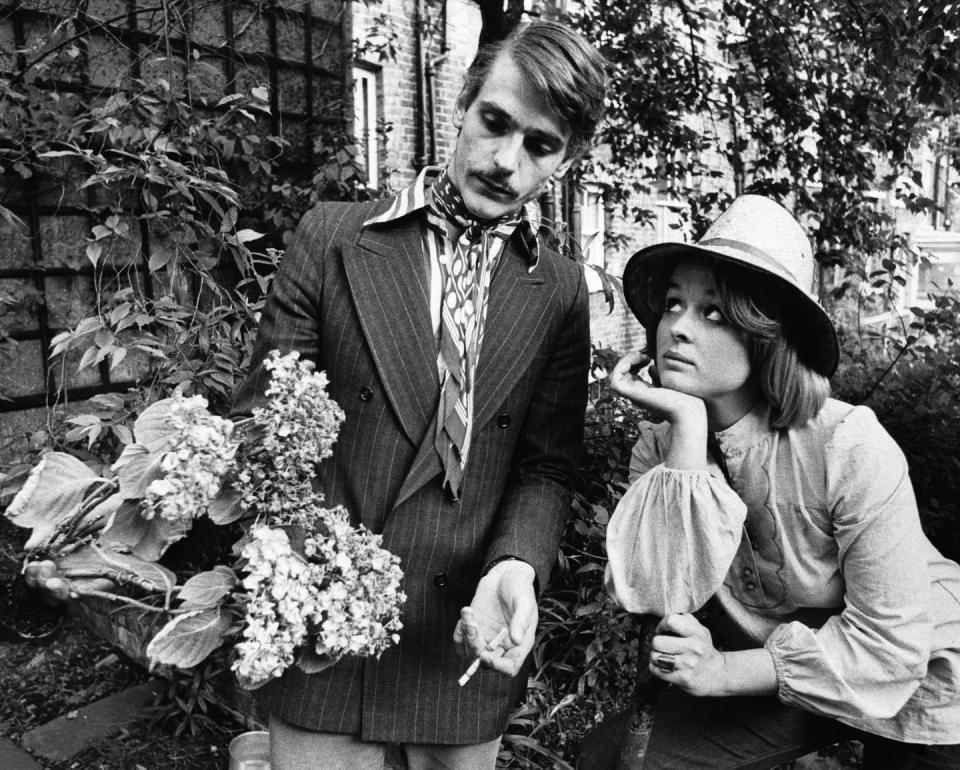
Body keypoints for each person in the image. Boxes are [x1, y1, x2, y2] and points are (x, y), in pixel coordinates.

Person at [228, 21, 607, 769]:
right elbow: (264, 429)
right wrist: (310, 576)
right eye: (495, 122)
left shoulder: (559, 291)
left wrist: (516, 566)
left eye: (540, 144)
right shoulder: (332, 238)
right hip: (327, 644)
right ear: (463, 103)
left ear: (568, 159)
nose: (505, 162)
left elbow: (546, 466)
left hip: (460, 646)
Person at [592, 195, 960, 769]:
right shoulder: (661, 448)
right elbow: (658, 596)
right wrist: (687, 429)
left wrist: (720, 671)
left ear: (765, 334)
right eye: (672, 304)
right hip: (782, 669)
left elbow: (890, 646)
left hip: (923, 679)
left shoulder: (848, 445)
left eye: (713, 312)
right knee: (611, 757)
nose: (677, 329)